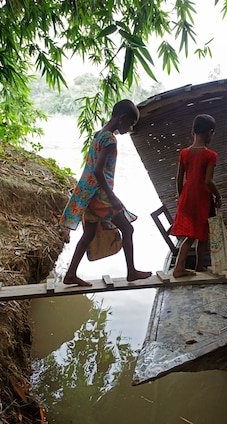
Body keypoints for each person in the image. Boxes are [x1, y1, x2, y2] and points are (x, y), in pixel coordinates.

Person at [61, 99, 151, 286]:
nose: (130, 128)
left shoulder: (98, 135)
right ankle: (132, 272)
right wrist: (113, 197)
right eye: (131, 124)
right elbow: (98, 171)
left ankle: (70, 274)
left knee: (89, 234)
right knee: (128, 228)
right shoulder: (110, 140)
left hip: (88, 193)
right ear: (122, 118)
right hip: (100, 195)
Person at [170, 114, 222, 278]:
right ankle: (182, 268)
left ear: (194, 131)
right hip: (202, 199)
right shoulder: (210, 155)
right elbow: (208, 181)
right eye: (212, 133)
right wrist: (218, 195)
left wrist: (181, 198)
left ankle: (197, 268)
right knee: (197, 235)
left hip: (187, 196)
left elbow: (179, 179)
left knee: (197, 233)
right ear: (209, 132)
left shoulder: (184, 153)